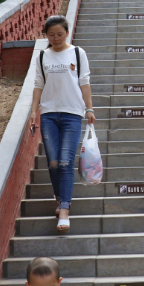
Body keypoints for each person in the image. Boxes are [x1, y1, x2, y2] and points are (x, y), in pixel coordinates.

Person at [29, 15, 95, 233]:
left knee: (66, 162)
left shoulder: (77, 53)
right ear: (45, 35)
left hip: (72, 114)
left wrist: (90, 109)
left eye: (59, 34)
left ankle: (64, 208)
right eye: (51, 35)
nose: (56, 38)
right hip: (48, 114)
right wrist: (33, 112)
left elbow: (84, 82)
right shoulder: (42, 56)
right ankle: (60, 198)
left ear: (67, 32)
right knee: (54, 162)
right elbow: (38, 84)